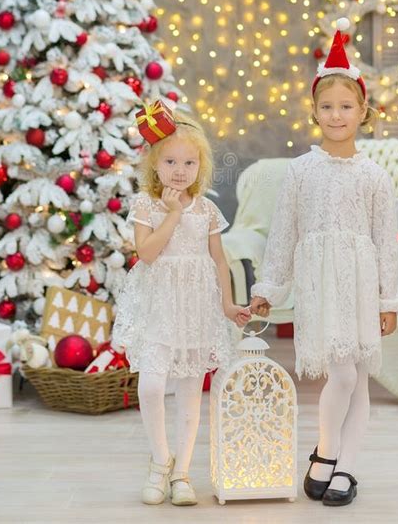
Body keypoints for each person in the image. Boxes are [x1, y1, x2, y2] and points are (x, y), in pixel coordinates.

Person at [250, 18, 398, 507]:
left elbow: (384, 240)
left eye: (346, 106)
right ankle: (329, 453)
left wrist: (388, 298)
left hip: (358, 284)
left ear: (363, 109)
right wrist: (269, 288)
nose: (336, 115)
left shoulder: (374, 175)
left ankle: (336, 460)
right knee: (343, 376)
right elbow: (283, 235)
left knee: (352, 377)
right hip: (320, 284)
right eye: (327, 107)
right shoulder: (300, 171)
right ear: (314, 111)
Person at [112, 101, 250, 507]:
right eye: (170, 161)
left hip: (195, 309)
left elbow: (220, 261)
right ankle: (160, 461)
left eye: (189, 163)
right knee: (153, 385)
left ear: (200, 167)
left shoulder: (207, 209)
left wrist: (227, 305)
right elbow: (147, 254)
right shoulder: (146, 206)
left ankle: (183, 474)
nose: (179, 170)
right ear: (155, 164)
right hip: (159, 308)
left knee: (191, 392)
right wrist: (171, 215)